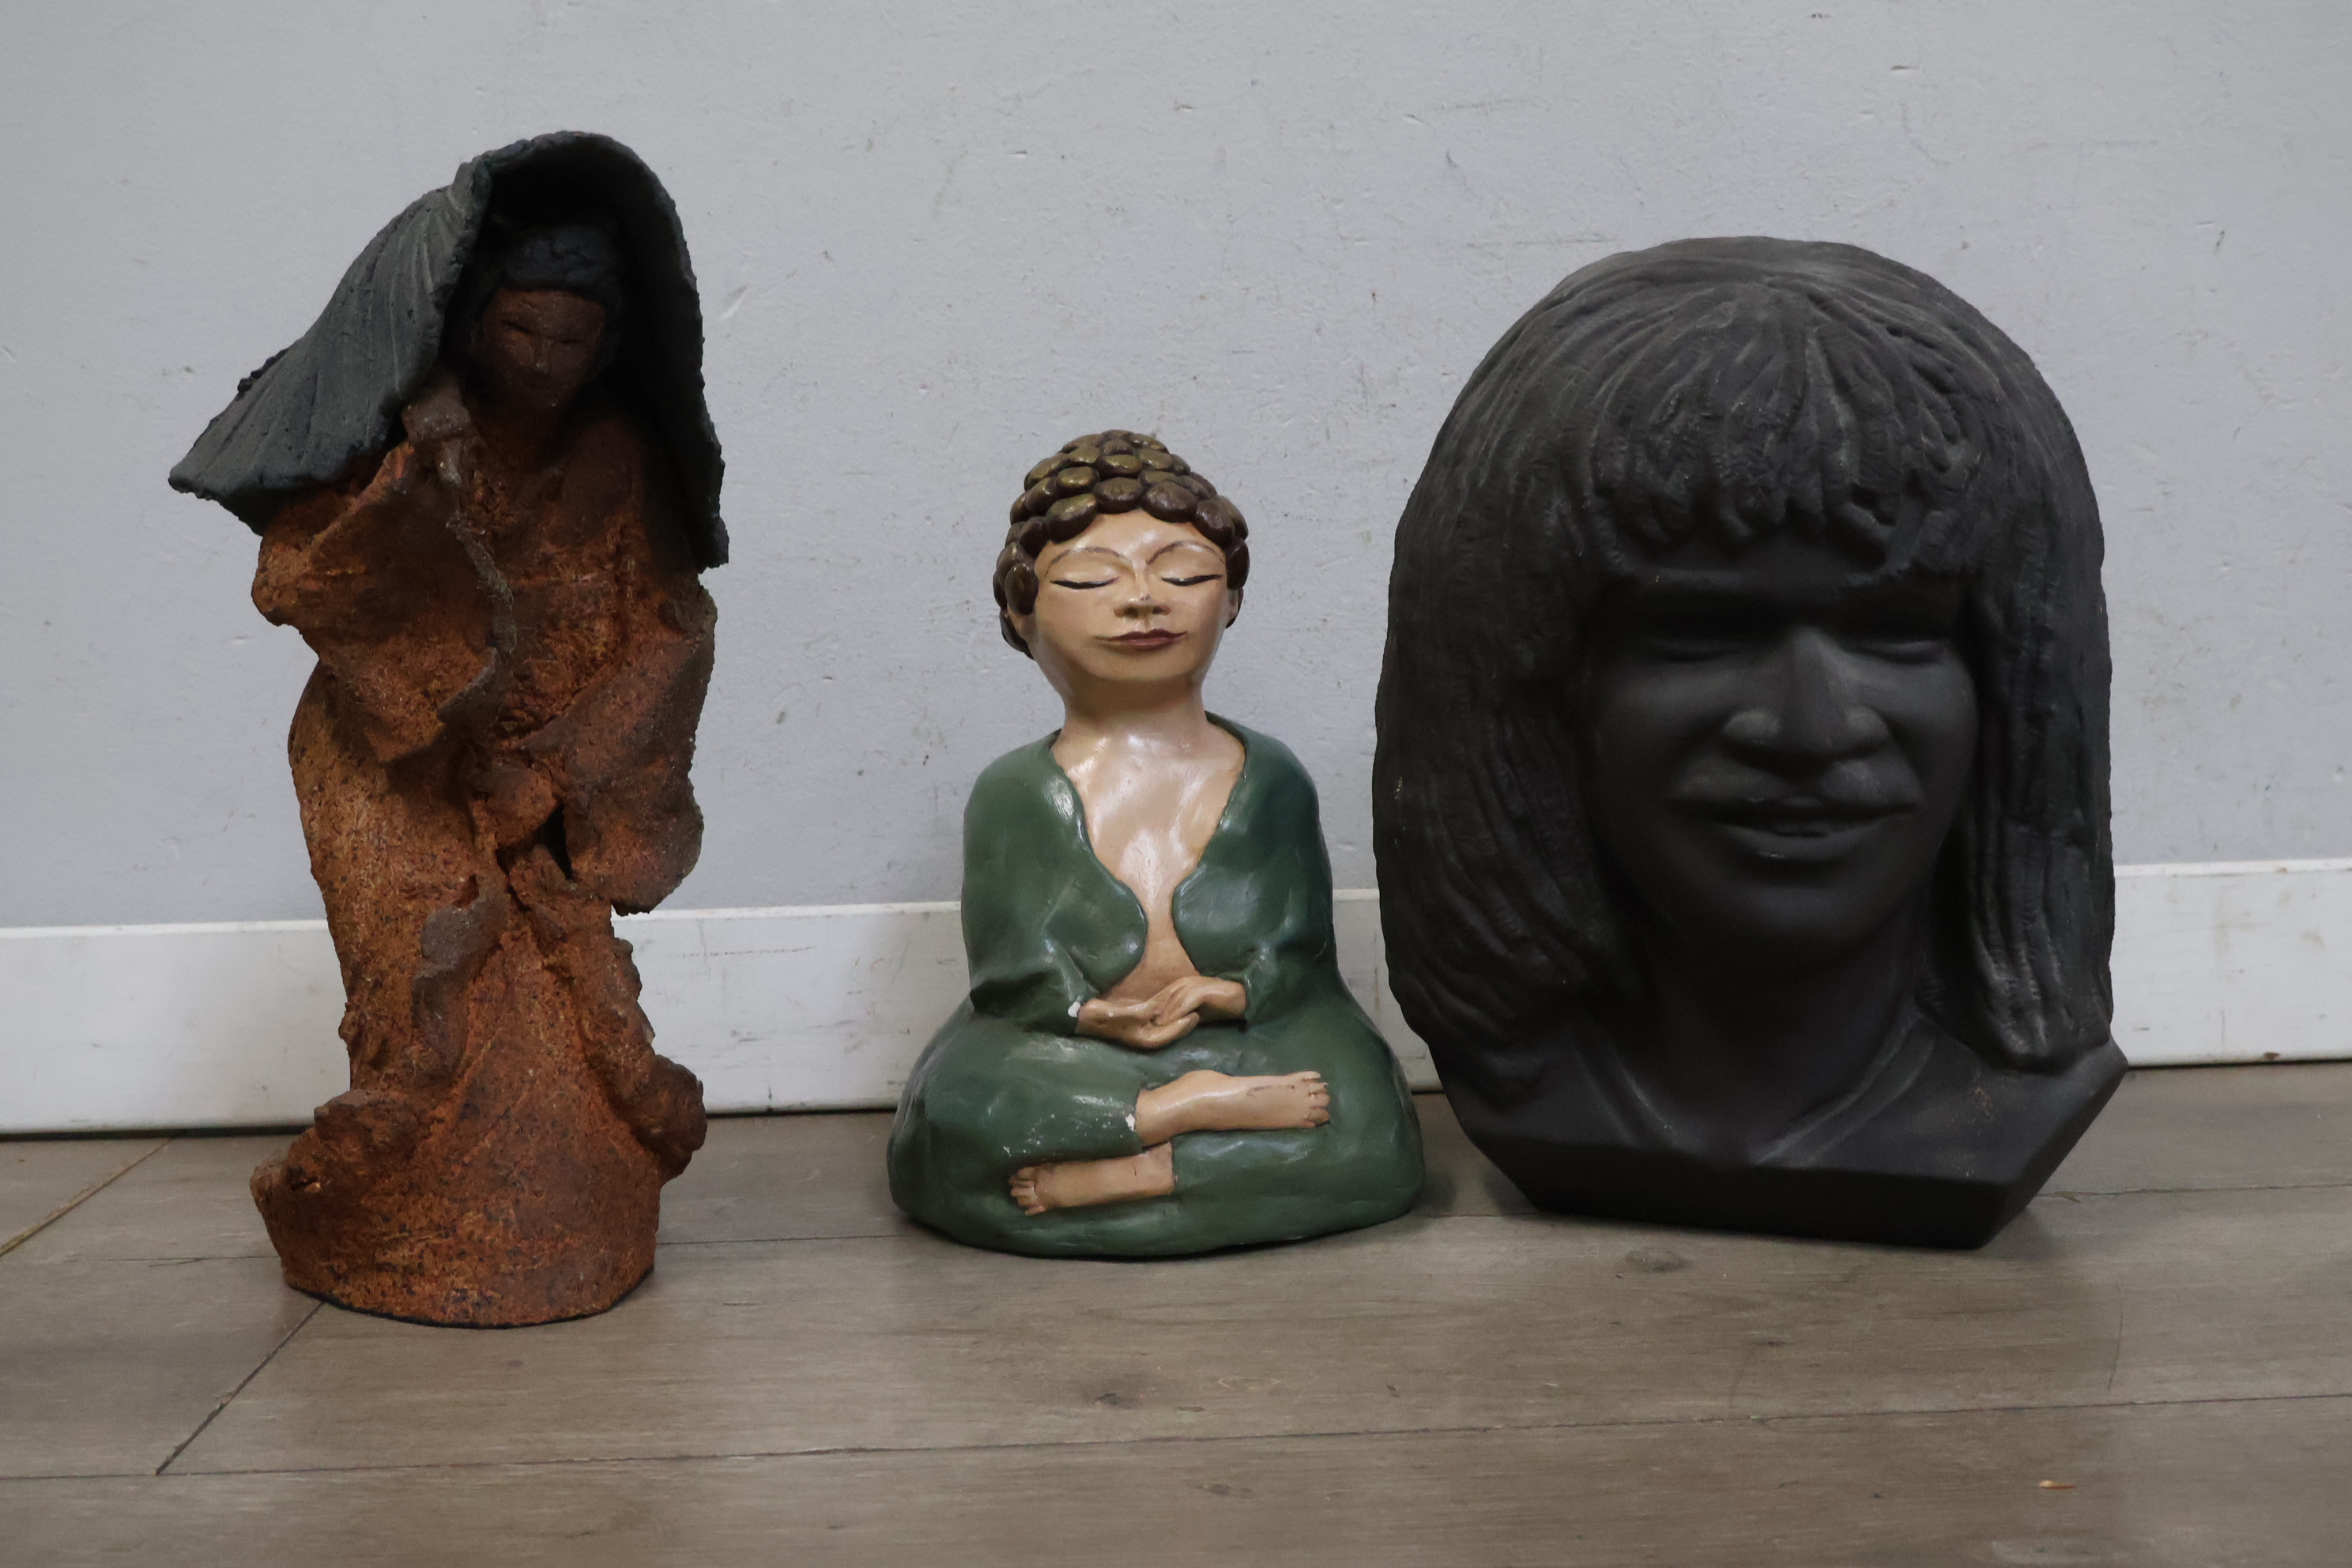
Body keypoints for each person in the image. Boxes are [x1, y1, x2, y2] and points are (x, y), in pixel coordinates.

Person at [1374, 239, 2126, 1247]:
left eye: (1897, 633)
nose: (1812, 729)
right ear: (1528, 688)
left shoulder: (2005, 1105)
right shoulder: (1542, 1088)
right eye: (1700, 633)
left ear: (2019, 688)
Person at [172, 134, 723, 1322]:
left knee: (570, 1028)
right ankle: (379, 1208)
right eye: (522, 330)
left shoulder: (617, 459)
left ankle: (556, 1221)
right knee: (420, 999)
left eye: (572, 340)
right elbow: (298, 575)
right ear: (476, 325)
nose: (545, 361)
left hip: (549, 775)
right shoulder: (410, 439)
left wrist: (560, 770)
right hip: (391, 758)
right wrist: (406, 497)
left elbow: (673, 630)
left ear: (607, 345)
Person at [888, 432, 1424, 1256]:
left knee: (1366, 1120)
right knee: (961, 1110)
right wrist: (1092, 1012)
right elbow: (1013, 973)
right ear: (1022, 612)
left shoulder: (1271, 778)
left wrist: (1226, 996)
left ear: (1231, 599)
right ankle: (1179, 1116)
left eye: (1183, 576)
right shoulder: (1016, 794)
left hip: (1255, 1042)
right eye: (1090, 580)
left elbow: (1301, 955)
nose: (1143, 601)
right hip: (1072, 1050)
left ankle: (1140, 1165)